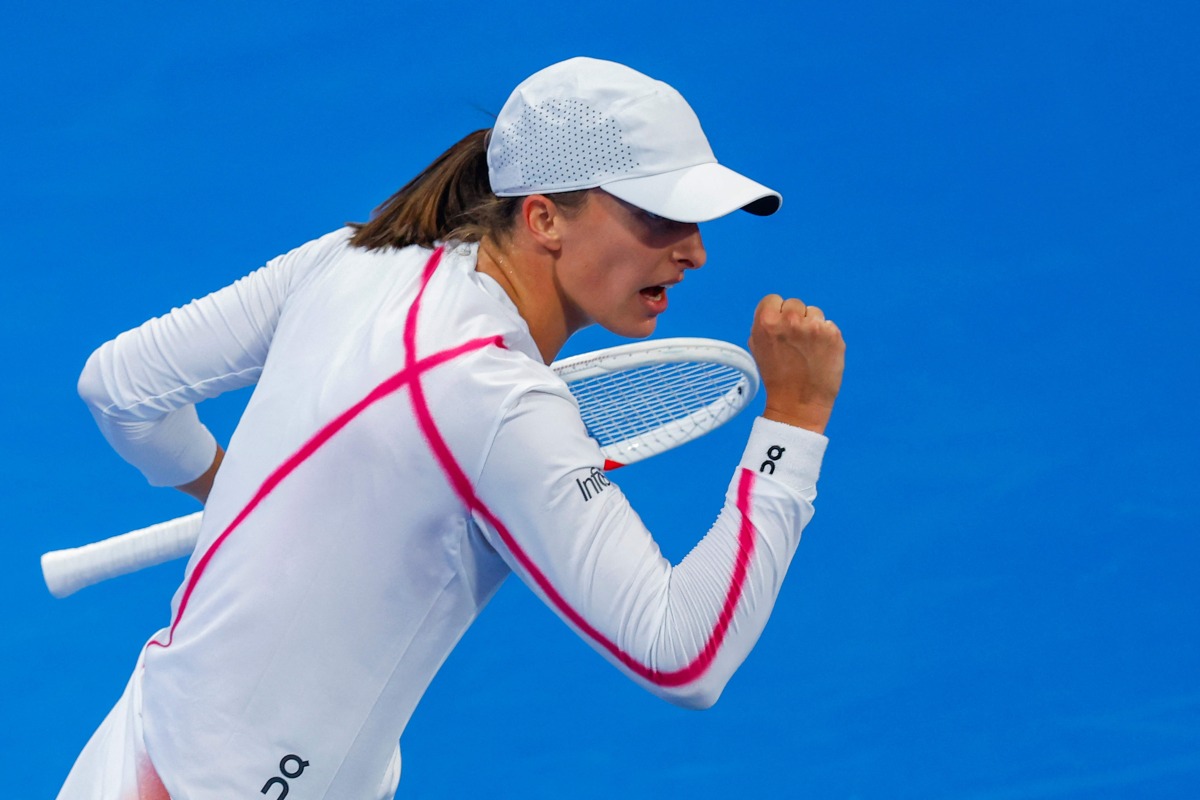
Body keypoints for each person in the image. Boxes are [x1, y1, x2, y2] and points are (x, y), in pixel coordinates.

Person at [58, 56, 845, 799]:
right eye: (659, 216)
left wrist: (230, 491)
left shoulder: (347, 262)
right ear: (544, 217)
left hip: (138, 743)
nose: (696, 252)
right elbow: (686, 656)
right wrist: (796, 422)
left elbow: (119, 387)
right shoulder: (501, 403)